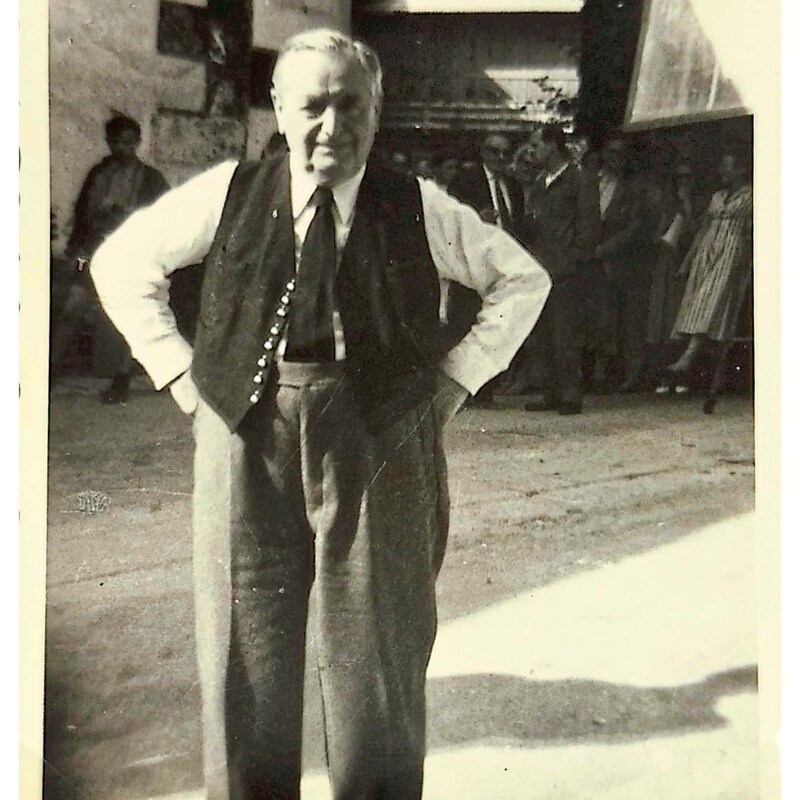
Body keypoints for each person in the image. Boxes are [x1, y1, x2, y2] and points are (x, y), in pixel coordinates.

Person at [91, 29, 551, 800]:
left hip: (380, 431)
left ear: (378, 111)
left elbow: (522, 280)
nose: (331, 126)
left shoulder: (417, 203)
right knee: (248, 643)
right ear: (278, 108)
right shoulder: (229, 191)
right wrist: (179, 376)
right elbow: (120, 264)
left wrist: (457, 379)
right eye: (312, 106)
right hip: (246, 425)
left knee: (378, 648)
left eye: (350, 105)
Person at [52, 114, 169, 402]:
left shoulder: (150, 179)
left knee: (125, 315)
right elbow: (81, 215)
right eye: (118, 142)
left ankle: (122, 377)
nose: (124, 148)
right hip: (90, 254)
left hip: (131, 256)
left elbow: (165, 217)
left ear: (138, 143)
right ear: (109, 142)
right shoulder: (97, 174)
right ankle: (49, 371)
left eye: (130, 142)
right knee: (73, 306)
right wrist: (76, 251)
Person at [659, 148, 753, 413]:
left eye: (728, 166)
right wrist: (688, 262)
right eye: (722, 166)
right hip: (707, 251)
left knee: (712, 298)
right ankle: (701, 371)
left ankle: (688, 356)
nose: (723, 171)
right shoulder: (717, 197)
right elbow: (702, 230)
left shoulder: (752, 196)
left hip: (733, 253)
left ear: (741, 169)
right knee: (700, 302)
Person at [522, 124, 600, 414]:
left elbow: (589, 225)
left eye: (536, 145)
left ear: (553, 146)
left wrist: (575, 262)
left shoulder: (579, 180)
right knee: (544, 333)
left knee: (567, 333)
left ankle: (570, 394)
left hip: (566, 269)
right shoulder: (541, 182)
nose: (532, 151)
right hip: (542, 267)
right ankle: (549, 391)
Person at [447, 132, 526, 405]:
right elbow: (452, 220)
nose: (501, 159)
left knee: (497, 320)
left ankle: (488, 386)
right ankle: (466, 388)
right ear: (484, 152)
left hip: (502, 261)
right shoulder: (465, 181)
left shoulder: (513, 186)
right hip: (474, 262)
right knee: (468, 321)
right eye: (495, 152)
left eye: (505, 153)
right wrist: (477, 221)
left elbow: (518, 223)